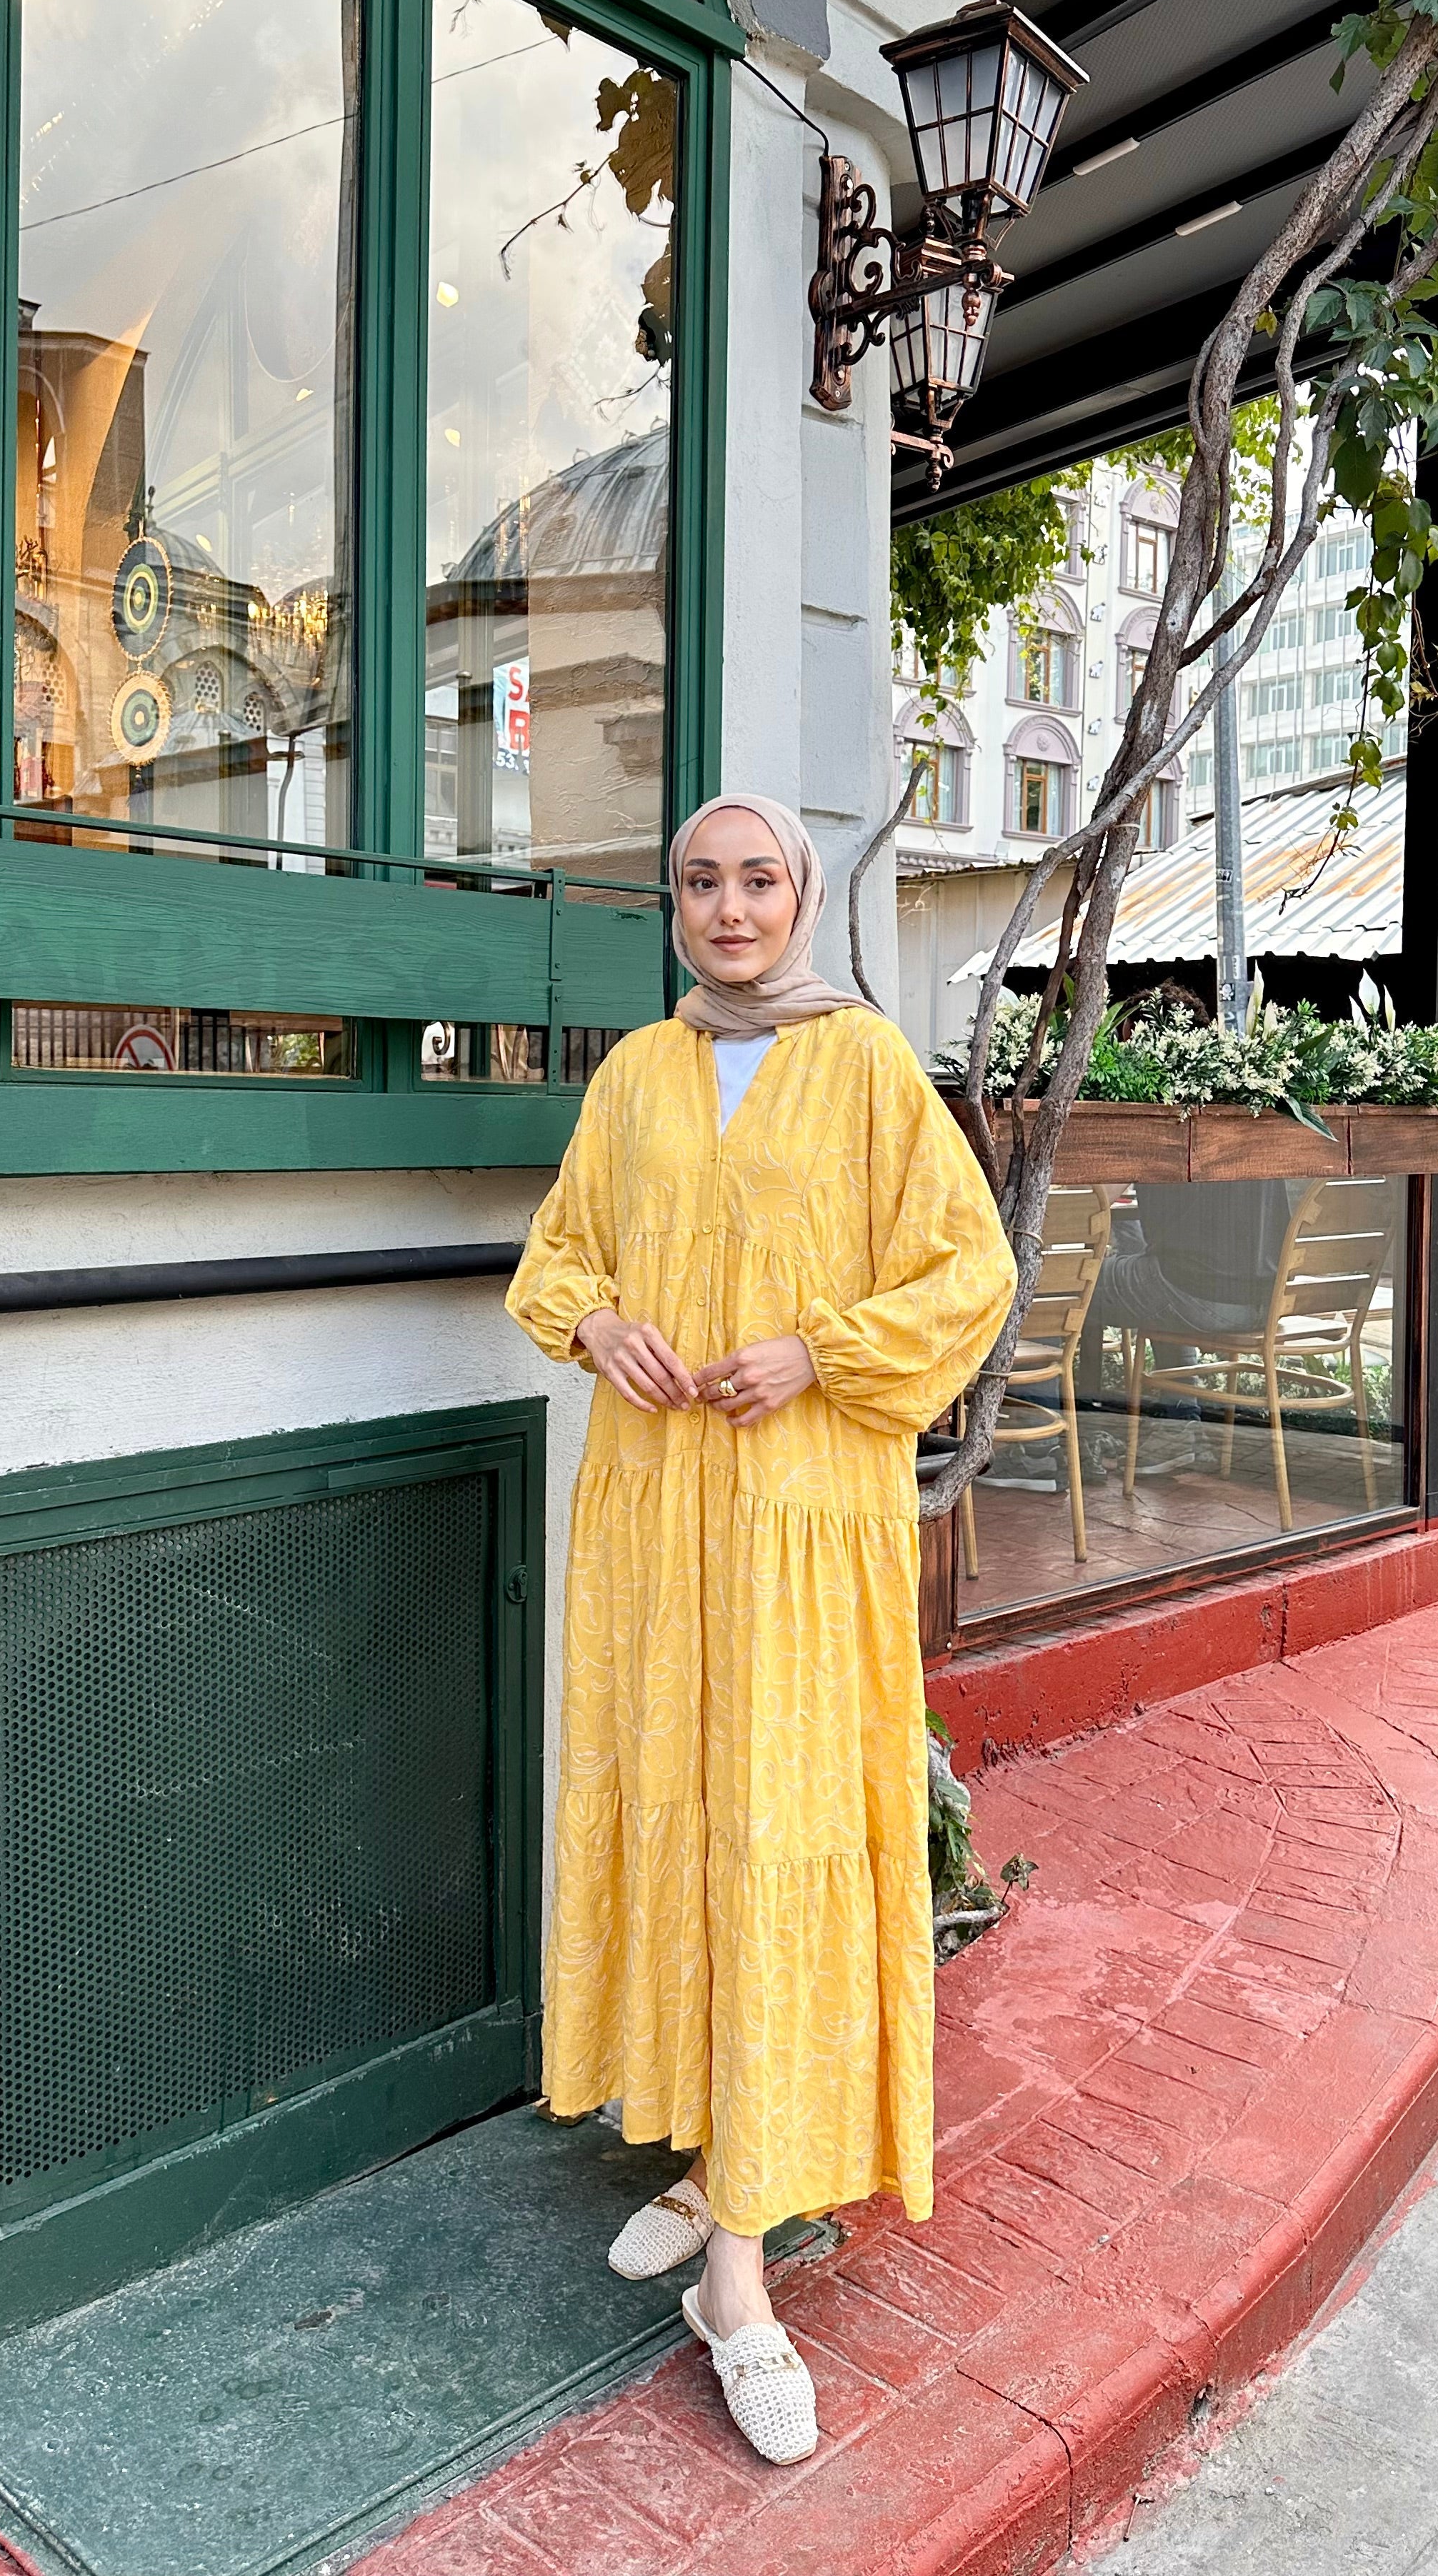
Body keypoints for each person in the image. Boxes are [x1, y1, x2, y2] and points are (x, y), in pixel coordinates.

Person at [506, 794, 1014, 2466]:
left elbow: (967, 1272)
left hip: (805, 1529)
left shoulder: (864, 1065)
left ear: (799, 895)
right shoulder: (636, 1077)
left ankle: (738, 2283)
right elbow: (558, 1256)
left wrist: (819, 1351)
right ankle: (721, 2152)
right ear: (674, 905)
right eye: (701, 883)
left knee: (780, 1834)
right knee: (684, 1817)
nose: (730, 909)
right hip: (659, 1526)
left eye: (759, 880)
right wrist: (601, 1325)